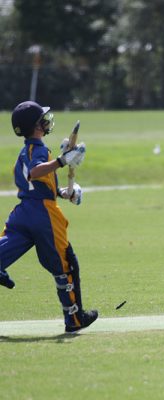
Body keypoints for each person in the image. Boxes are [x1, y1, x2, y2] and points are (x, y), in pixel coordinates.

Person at [0, 100, 98, 333]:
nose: (46, 121)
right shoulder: (40, 150)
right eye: (42, 118)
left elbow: (35, 185)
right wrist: (62, 161)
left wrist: (66, 193)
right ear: (36, 126)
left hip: (23, 213)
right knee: (65, 265)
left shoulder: (24, 152)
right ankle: (75, 319)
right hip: (43, 215)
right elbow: (35, 173)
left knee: (5, 249)